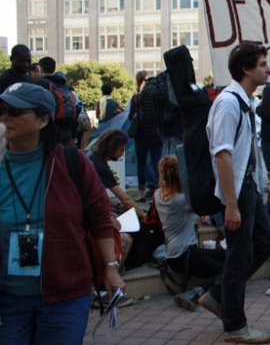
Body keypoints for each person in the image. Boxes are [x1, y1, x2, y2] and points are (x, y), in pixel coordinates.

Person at [0, 83, 125, 345]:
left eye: (14, 111)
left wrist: (111, 268)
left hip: (65, 295)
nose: (5, 117)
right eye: (2, 110)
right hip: (9, 298)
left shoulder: (71, 161)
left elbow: (100, 215)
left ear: (42, 120)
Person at [201, 42, 270, 344]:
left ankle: (218, 295)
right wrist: (230, 205)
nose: (268, 68)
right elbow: (222, 155)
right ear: (246, 69)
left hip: (249, 187)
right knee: (239, 255)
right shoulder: (229, 102)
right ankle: (235, 325)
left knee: (265, 243)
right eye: (262, 63)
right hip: (238, 191)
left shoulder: (244, 101)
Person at [155, 155, 226, 312]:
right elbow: (206, 203)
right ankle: (192, 294)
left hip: (176, 253)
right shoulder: (181, 201)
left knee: (225, 255)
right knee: (224, 272)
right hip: (184, 254)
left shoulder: (158, 194)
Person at [89, 130, 163, 271]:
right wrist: (146, 217)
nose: (122, 154)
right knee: (138, 227)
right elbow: (126, 199)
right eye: (121, 150)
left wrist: (121, 206)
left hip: (96, 210)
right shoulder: (99, 165)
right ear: (112, 147)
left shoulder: (94, 160)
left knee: (133, 216)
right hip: (93, 215)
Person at [129, 71, 163, 202]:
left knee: (141, 164)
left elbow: (130, 116)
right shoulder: (158, 95)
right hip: (157, 134)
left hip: (141, 136)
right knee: (157, 163)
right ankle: (159, 191)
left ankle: (142, 194)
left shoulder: (136, 98)